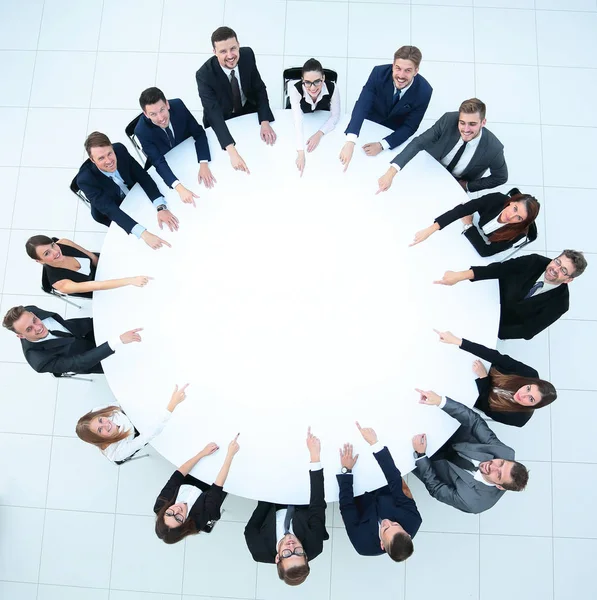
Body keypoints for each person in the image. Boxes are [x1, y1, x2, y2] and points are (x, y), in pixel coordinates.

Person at [412, 389, 529, 514]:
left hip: (431, 465)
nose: (492, 466)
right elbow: (475, 422)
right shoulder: (505, 453)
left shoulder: (474, 502)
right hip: (450, 434)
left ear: (499, 486)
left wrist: (420, 455)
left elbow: (436, 489)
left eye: (498, 475)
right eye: (500, 463)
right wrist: (441, 401)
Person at [434, 249, 588, 340]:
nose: (555, 269)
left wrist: (491, 332)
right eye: (557, 262)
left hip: (499, 324)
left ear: (569, 280)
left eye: (563, 271)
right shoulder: (534, 261)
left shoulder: (560, 304)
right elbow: (500, 269)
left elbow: (528, 330)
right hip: (488, 295)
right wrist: (461, 275)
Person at [244, 427, 329, 587]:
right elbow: (317, 504)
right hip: (302, 499)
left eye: (287, 554)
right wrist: (315, 457)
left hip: (271, 501)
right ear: (306, 556)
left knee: (274, 453)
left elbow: (253, 526)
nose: (292, 546)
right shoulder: (314, 545)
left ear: (277, 558)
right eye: (298, 552)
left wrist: (271, 484)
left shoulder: (258, 549)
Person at [377, 98, 507, 194]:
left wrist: (468, 186)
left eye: (472, 124)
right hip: (431, 167)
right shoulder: (448, 120)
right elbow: (419, 142)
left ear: (483, 122)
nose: (466, 129)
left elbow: (501, 177)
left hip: (455, 183)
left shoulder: (494, 148)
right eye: (462, 123)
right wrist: (391, 173)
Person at [434, 330, 557, 427]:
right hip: (474, 368)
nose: (523, 394)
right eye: (528, 388)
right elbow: (496, 357)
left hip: (473, 394)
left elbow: (487, 408)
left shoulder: (519, 419)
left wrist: (484, 378)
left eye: (531, 399)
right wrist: (458, 341)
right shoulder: (530, 374)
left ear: (534, 406)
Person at [337, 421, 421, 561]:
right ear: (407, 533)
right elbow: (395, 481)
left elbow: (347, 508)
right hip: (382, 482)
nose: (387, 522)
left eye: (385, 528)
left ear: (382, 544)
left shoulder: (362, 544)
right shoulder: (412, 520)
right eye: (395, 524)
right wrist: (375, 444)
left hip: (357, 492)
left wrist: (346, 471)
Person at [196, 26, 276, 174]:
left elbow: (259, 88)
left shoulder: (247, 55)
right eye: (223, 51)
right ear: (214, 52)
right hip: (222, 117)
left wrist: (264, 121)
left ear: (239, 45)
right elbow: (213, 113)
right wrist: (232, 151)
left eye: (233, 48)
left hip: (247, 108)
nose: (230, 55)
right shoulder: (204, 75)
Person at [340, 45, 432, 172]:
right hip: (369, 122)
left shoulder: (424, 91)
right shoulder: (378, 73)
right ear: (392, 65)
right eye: (398, 68)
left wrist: (382, 145)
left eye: (407, 70)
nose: (401, 75)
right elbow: (362, 105)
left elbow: (410, 126)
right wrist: (350, 141)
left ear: (416, 71)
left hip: (392, 132)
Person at [76, 132, 174, 250]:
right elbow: (112, 211)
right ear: (92, 160)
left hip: (133, 192)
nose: (108, 161)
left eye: (109, 153)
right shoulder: (85, 180)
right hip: (111, 209)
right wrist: (144, 234)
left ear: (112, 148)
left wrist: (160, 207)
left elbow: (143, 177)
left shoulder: (120, 150)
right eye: (101, 158)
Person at [2, 305, 142, 375]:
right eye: (29, 329)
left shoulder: (30, 311)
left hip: (81, 331)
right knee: (133, 366)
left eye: (35, 320)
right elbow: (79, 362)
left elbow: (64, 323)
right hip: (89, 359)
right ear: (20, 336)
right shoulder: (40, 362)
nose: (38, 327)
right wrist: (117, 341)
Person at [135, 87, 216, 206]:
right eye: (153, 114)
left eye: (162, 110)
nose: (160, 118)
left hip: (187, 152)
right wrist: (180, 188)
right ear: (145, 114)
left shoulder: (178, 106)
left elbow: (198, 133)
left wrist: (203, 163)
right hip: (166, 160)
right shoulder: (141, 131)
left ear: (167, 104)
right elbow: (158, 161)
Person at [154, 434, 240, 544]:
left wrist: (202, 453)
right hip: (212, 484)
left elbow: (179, 474)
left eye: (169, 513)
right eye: (179, 518)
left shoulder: (161, 505)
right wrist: (230, 455)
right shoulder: (199, 520)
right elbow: (217, 486)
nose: (177, 510)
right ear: (184, 523)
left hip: (193, 473)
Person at [75, 383, 188, 463]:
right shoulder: (116, 453)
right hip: (138, 433)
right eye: (100, 430)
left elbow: (122, 402)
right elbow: (148, 435)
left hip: (132, 413)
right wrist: (172, 405)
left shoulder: (96, 412)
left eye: (101, 420)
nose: (106, 424)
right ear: (98, 439)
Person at [410, 189, 540, 257]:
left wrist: (469, 226)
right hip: (479, 230)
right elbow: (463, 209)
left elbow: (485, 252)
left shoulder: (519, 234)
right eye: (515, 209)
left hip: (479, 239)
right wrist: (431, 229)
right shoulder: (497, 199)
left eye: (519, 218)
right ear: (512, 202)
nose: (511, 216)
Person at [25, 235, 151, 299]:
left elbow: (92, 257)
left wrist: (116, 269)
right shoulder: (60, 284)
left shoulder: (63, 243)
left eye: (52, 245)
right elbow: (98, 286)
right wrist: (130, 280)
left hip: (102, 267)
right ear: (40, 261)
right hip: (100, 291)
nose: (55, 251)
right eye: (47, 253)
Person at [289, 58, 341, 176]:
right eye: (307, 82)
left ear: (323, 78)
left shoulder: (333, 88)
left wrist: (319, 134)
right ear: (303, 80)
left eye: (317, 81)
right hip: (304, 117)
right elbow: (297, 121)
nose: (312, 88)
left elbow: (335, 116)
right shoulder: (295, 90)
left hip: (321, 117)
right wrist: (301, 153)